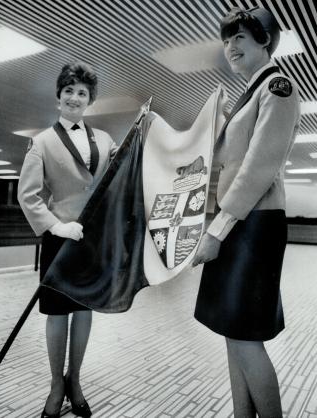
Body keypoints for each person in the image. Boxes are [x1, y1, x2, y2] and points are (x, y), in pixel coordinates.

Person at [193, 7, 300, 418]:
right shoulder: (250, 93)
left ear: (264, 40)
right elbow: (225, 157)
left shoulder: (277, 87)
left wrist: (216, 231)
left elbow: (257, 170)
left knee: (243, 337)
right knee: (231, 331)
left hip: (253, 224)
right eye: (226, 39)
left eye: (240, 37)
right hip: (240, 221)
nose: (230, 47)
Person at [18, 61, 118, 418]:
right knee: (58, 314)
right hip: (60, 239)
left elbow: (115, 182)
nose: (75, 98)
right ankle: (55, 385)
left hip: (91, 241)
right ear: (58, 97)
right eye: (69, 91)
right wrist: (56, 226)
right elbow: (27, 195)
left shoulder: (105, 141)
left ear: (89, 100)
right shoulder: (41, 142)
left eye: (82, 93)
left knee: (83, 311)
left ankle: (75, 380)